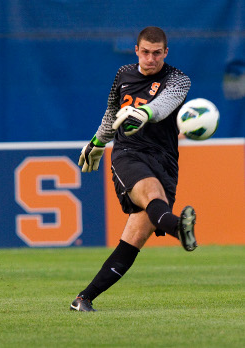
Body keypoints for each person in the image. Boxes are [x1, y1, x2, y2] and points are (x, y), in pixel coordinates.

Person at [70, 26, 197, 312]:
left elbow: (165, 105)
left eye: (157, 53)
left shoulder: (178, 79)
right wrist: (98, 142)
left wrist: (144, 113)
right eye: (145, 52)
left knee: (135, 238)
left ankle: (83, 299)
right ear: (136, 50)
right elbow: (112, 112)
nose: (150, 59)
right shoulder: (123, 74)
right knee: (152, 194)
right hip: (129, 153)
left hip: (164, 159)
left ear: (166, 52)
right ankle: (179, 228)